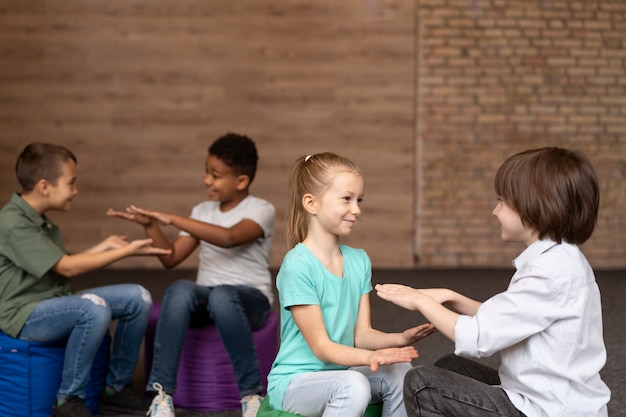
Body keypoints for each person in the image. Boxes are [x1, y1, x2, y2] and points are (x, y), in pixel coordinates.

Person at [376, 147, 611, 417]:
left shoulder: (549, 272)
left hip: (546, 410)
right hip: (551, 398)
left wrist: (420, 300)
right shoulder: (563, 260)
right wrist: (451, 297)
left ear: (534, 204)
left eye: (502, 201)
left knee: (423, 385)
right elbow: (508, 318)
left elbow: (477, 337)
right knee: (450, 366)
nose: (494, 210)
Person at [108, 132, 276, 417]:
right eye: (206, 172)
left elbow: (230, 237)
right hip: (207, 298)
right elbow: (171, 258)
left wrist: (173, 218)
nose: (206, 180)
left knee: (223, 295)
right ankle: (162, 395)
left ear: (241, 181)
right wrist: (152, 226)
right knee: (180, 288)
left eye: (216, 175)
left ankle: (250, 394)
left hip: (250, 299)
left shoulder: (261, 209)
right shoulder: (202, 210)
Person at [0, 142, 171, 417]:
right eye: (71, 183)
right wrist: (126, 252)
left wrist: (103, 246)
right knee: (93, 308)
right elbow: (67, 268)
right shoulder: (12, 223)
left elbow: (56, 264)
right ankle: (67, 399)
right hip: (24, 315)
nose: (76, 191)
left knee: (138, 297)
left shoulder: (40, 222)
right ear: (45, 186)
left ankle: (115, 389)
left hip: (52, 303)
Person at [266, 152, 436, 417]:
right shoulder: (298, 265)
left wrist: (400, 339)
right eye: (346, 199)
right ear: (311, 203)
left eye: (359, 200)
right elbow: (322, 347)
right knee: (353, 384)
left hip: (341, 373)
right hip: (295, 382)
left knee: (401, 372)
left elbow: (361, 335)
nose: (356, 209)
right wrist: (371, 358)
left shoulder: (358, 260)